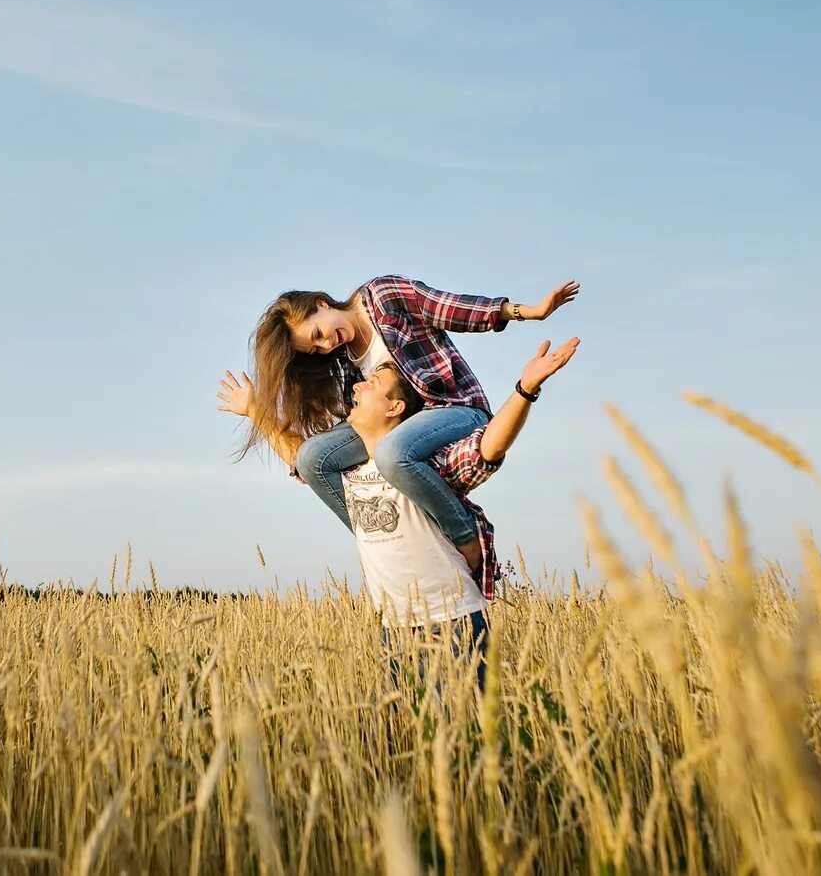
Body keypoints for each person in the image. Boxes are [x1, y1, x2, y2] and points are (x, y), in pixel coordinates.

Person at [218, 276, 578, 566]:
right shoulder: (343, 359)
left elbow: (447, 307)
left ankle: (464, 535)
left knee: (392, 452)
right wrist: (256, 409)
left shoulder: (382, 296)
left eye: (317, 335)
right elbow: (318, 450)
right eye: (315, 350)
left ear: (321, 304)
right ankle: (383, 544)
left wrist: (526, 311)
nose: (326, 346)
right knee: (314, 458)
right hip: (398, 427)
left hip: (452, 409)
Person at [340, 336, 579, 690]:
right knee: (405, 735)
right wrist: (256, 411)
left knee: (465, 733)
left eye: (372, 384)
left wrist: (524, 389)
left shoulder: (425, 466)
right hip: (393, 630)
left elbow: (487, 449)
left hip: (451, 623)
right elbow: (300, 459)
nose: (357, 387)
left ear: (394, 408)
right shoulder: (348, 474)